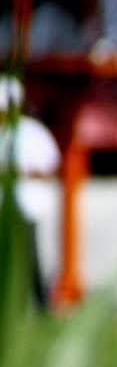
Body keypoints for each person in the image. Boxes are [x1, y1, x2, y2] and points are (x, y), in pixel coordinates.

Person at [1, 76, 62, 309]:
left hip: (28, 203)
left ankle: (40, 301)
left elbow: (50, 164)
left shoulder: (33, 131)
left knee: (31, 255)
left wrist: (22, 172)